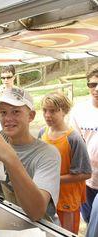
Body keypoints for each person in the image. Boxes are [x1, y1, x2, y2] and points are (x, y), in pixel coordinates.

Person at [0, 88, 61, 223]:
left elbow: (36, 212)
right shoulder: (0, 137)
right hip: (8, 218)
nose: (8, 119)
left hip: (40, 228)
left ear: (30, 116)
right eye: (3, 112)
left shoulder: (47, 154)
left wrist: (9, 157)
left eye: (15, 112)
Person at [39, 92, 91, 234]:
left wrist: (54, 179)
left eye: (53, 111)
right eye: (45, 110)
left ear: (64, 111)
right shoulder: (42, 133)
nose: (47, 115)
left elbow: (86, 173)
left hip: (67, 201)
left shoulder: (73, 138)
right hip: (47, 198)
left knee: (65, 233)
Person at [69, 65, 98, 224]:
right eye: (92, 84)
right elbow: (74, 144)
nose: (96, 89)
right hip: (86, 178)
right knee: (87, 218)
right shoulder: (79, 111)